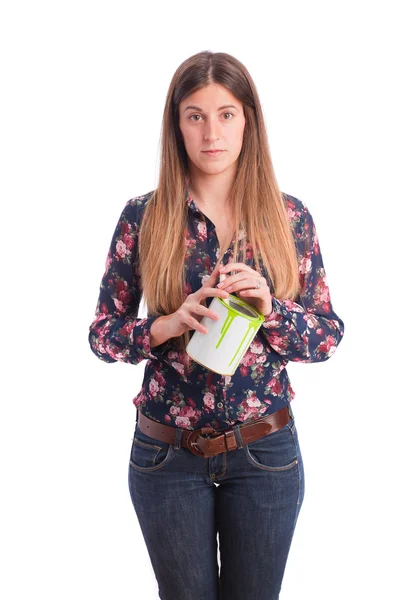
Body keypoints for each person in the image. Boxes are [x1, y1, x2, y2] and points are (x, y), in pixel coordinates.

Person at [88, 50, 345, 600]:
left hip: (265, 454)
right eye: (195, 115)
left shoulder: (288, 217)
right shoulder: (143, 217)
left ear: (248, 120)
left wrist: (271, 307)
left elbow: (326, 336)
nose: (211, 132)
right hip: (166, 455)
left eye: (226, 114)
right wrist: (164, 325)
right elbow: (102, 335)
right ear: (176, 124)